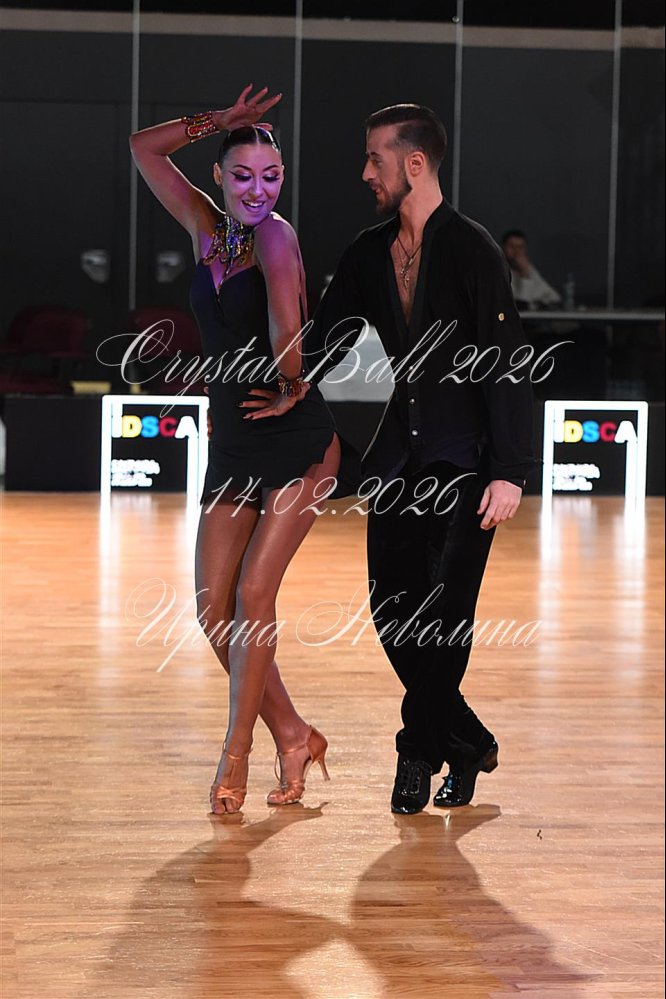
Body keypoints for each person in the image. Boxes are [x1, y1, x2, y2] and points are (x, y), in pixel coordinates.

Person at [129, 85, 359, 814]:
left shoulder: (275, 237)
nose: (259, 190)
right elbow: (144, 148)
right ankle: (294, 732)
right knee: (213, 612)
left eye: (272, 176)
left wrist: (292, 383)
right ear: (220, 177)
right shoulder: (207, 228)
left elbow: (288, 317)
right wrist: (218, 121)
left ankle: (236, 752)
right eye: (243, 175)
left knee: (254, 596)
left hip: (296, 438)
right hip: (233, 441)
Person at [304, 105, 536, 814]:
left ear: (414, 164)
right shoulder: (367, 253)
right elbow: (323, 344)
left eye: (375, 159)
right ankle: (468, 742)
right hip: (395, 467)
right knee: (391, 613)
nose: (364, 173)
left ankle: (417, 751)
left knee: (445, 618)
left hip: (466, 467)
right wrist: (290, 394)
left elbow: (506, 360)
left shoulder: (472, 250)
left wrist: (510, 470)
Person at [501, 229, 561, 309]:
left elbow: (554, 298)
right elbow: (519, 306)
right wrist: (524, 275)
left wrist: (525, 273)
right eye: (512, 247)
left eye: (520, 247)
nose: (516, 252)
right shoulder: (498, 271)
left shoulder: (528, 269)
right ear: (503, 248)